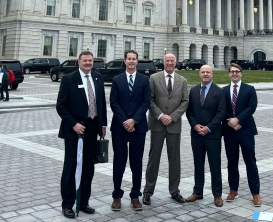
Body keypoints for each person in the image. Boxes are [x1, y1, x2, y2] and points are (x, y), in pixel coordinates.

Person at [56, 50, 107, 219]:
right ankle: (68, 204)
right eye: (84, 61)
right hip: (75, 132)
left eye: (90, 61)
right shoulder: (69, 79)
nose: (87, 63)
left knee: (88, 167)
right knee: (71, 167)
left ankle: (83, 202)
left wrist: (103, 125)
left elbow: (101, 104)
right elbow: (61, 106)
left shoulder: (98, 78)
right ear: (78, 62)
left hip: (92, 130)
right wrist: (74, 124)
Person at [143, 53, 188, 206]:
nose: (169, 63)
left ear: (176, 63)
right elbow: (149, 100)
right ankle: (148, 191)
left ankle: (174, 191)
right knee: (153, 159)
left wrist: (173, 116)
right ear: (163, 62)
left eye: (172, 61)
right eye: (167, 61)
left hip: (174, 126)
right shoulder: (154, 79)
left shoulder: (182, 81)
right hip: (157, 124)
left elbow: (185, 102)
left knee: (174, 160)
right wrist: (161, 115)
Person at [109, 50, 151, 212]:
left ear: (137, 61)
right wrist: (125, 121)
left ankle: (135, 195)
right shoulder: (117, 80)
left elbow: (146, 102)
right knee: (119, 162)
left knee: (136, 163)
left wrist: (134, 120)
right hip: (120, 127)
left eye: (134, 59)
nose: (132, 61)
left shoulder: (144, 80)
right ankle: (117, 196)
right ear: (125, 61)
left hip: (138, 127)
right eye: (129, 59)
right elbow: (113, 102)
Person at [185, 65, 226, 207]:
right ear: (199, 74)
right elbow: (189, 112)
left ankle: (217, 194)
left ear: (212, 74)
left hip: (212, 135)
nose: (205, 74)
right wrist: (195, 126)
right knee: (198, 164)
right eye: (203, 72)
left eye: (208, 72)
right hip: (196, 134)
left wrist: (208, 128)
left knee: (215, 165)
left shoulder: (219, 92)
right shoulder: (194, 91)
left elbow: (221, 113)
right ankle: (198, 191)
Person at [222, 63, 262, 207]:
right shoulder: (224, 91)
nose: (234, 74)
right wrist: (232, 122)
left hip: (246, 130)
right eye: (232, 71)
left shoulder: (249, 89)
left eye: (237, 71)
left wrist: (238, 120)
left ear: (241, 73)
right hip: (229, 132)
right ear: (229, 74)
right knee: (232, 162)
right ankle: (233, 190)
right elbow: (222, 109)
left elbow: (252, 107)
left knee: (250, 162)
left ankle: (255, 193)